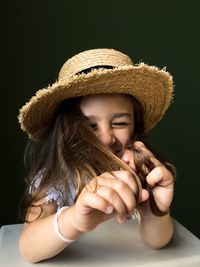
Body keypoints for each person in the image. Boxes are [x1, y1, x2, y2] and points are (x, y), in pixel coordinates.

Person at [18, 48, 175, 263]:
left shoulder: (140, 171)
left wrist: (155, 211)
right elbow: (28, 249)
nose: (106, 137)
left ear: (135, 127)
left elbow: (158, 243)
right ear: (67, 130)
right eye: (90, 126)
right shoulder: (55, 178)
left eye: (119, 123)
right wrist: (73, 220)